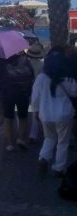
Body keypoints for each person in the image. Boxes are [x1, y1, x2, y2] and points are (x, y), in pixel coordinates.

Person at [31, 46, 77, 177]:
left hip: (45, 114)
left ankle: (43, 158)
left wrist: (36, 112)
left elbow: (35, 97)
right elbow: (74, 92)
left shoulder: (41, 78)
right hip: (64, 114)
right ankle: (58, 168)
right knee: (63, 142)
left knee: (49, 138)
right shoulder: (68, 78)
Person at [0, 51, 36, 151]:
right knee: (23, 117)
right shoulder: (25, 60)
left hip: (8, 93)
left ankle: (10, 144)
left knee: (8, 118)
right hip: (23, 92)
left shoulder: (2, 61)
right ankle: (21, 138)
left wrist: (0, 92)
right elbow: (32, 75)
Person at [26, 43, 46, 143]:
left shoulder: (27, 63)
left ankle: (32, 135)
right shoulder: (43, 64)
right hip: (40, 89)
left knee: (34, 111)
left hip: (28, 88)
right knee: (39, 111)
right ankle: (42, 132)